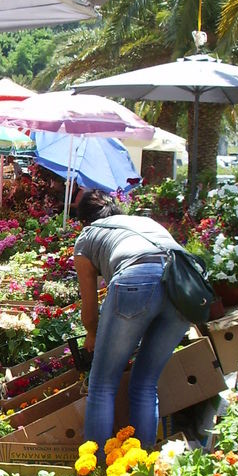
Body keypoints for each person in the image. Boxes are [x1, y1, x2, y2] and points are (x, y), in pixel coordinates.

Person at [73, 189, 190, 455]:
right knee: (146, 383)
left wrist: (92, 333)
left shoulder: (87, 236)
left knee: (102, 386)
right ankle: (143, 470)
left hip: (135, 280)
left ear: (83, 220)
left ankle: (98, 472)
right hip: (183, 289)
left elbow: (89, 308)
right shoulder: (144, 223)